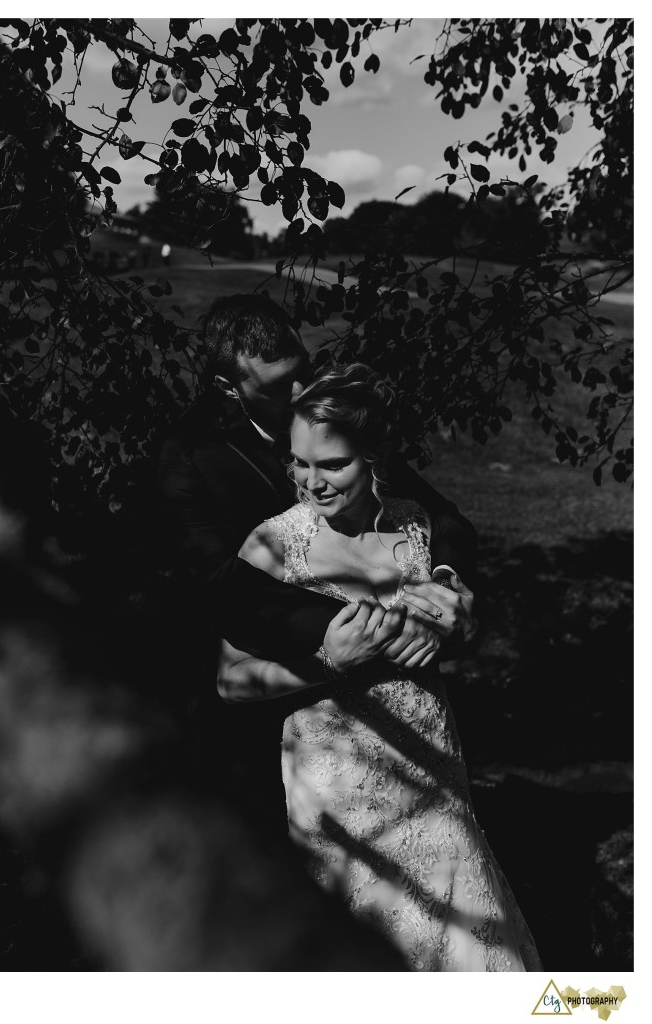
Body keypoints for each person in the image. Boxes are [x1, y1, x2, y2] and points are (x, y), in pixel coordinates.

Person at [217, 364, 543, 972]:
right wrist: (326, 663)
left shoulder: (417, 528)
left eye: (331, 464)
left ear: (373, 458)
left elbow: (456, 630)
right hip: (337, 787)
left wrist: (459, 625)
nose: (309, 482)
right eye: (298, 462)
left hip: (434, 771)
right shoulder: (271, 545)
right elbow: (230, 682)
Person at [158, 295, 477, 829]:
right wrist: (375, 629)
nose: (301, 391)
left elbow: (442, 524)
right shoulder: (189, 454)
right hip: (276, 694)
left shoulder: (338, 418)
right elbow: (224, 588)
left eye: (302, 370)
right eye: (279, 384)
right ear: (228, 388)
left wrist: (441, 587)